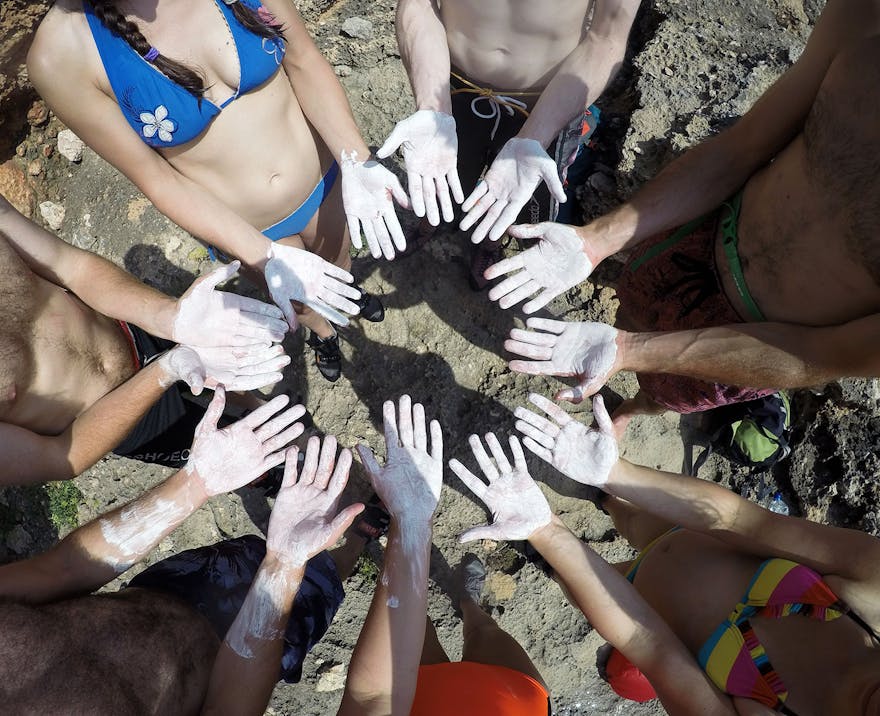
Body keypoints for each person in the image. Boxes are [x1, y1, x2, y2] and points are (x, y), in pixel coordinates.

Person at [487, 0, 880, 430]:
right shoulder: (866, 19)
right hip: (700, 234)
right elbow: (744, 146)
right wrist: (596, 241)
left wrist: (630, 352)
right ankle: (625, 354)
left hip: (758, 338)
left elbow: (822, 354)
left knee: (667, 390)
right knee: (629, 309)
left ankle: (641, 405)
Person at [28, 0, 411, 382]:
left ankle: (349, 295)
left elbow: (304, 61)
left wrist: (357, 160)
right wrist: (262, 253)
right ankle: (322, 333)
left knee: (339, 262)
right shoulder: (61, 54)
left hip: (324, 181)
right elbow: (157, 178)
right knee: (300, 301)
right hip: (248, 232)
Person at [338, 395, 738, 714]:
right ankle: (468, 604)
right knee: (484, 631)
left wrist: (410, 524)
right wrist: (549, 527)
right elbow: (654, 649)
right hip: (512, 700)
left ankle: (424, 589)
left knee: (415, 627)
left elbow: (373, 698)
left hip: (416, 703)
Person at [511, 392, 880, 714]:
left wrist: (547, 534)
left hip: (630, 603)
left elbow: (650, 646)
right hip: (682, 531)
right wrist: (614, 472)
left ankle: (545, 556)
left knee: (567, 575)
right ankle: (605, 498)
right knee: (628, 513)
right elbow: (744, 522)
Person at [0, 392, 367, 714]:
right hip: (248, 654)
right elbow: (228, 708)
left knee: (256, 550)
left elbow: (60, 570)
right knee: (324, 578)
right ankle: (362, 539)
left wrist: (197, 482)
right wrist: (284, 565)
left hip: (174, 585)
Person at [0, 194, 290, 483]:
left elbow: (69, 266)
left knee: (226, 374)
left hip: (130, 326)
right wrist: (165, 370)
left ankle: (255, 403)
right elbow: (59, 458)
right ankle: (282, 473)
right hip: (124, 419)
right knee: (243, 461)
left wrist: (169, 317)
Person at [379, 0, 640, 287]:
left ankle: (492, 242)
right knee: (446, 169)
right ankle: (431, 222)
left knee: (518, 191)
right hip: (453, 85)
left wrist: (536, 134)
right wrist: (432, 106)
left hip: (549, 103)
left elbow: (606, 39)